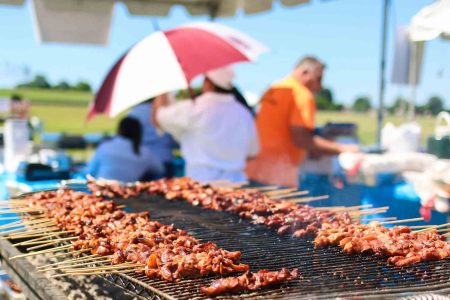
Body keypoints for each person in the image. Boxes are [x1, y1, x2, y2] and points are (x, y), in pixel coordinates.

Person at [246, 56, 358, 187]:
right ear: (305, 72)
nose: (320, 86)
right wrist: (342, 148)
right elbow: (301, 138)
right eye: (318, 79)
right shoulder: (302, 94)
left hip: (252, 169)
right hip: (277, 175)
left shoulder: (274, 88)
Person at [152, 66, 259, 183]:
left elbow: (158, 118)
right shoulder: (244, 113)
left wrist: (162, 87)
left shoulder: (195, 108)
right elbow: (252, 153)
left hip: (202, 183)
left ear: (209, 83)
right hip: (237, 183)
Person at [85, 117, 163, 182]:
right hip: (129, 194)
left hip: (102, 190)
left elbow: (90, 172)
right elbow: (159, 171)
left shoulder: (106, 146)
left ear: (120, 130)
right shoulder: (145, 152)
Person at [127, 99, 178, 177]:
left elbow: (127, 140)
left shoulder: (133, 113)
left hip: (141, 161)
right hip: (164, 158)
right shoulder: (165, 111)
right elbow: (175, 139)